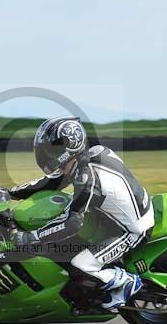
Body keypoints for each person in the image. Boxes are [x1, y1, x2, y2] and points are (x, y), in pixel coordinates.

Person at [8, 117, 154, 311]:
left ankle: (127, 282)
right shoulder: (82, 159)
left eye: (51, 148)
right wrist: (9, 193)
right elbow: (50, 182)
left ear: (70, 147)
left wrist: (30, 237)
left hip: (131, 230)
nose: (44, 153)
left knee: (80, 265)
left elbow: (71, 224)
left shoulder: (88, 181)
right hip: (110, 216)